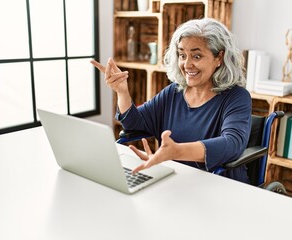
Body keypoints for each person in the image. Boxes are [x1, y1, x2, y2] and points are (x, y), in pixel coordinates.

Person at [91, 18, 252, 183]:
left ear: (219, 58)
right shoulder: (174, 92)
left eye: (196, 56)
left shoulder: (237, 97)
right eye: (182, 55)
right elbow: (134, 124)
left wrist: (176, 152)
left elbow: (233, 143)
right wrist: (122, 92)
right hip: (174, 180)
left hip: (219, 185)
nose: (187, 64)